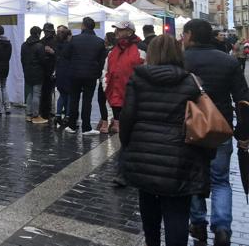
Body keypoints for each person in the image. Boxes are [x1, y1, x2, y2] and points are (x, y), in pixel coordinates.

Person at [120, 34, 210, 246]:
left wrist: (128, 145)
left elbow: (127, 117)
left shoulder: (138, 78)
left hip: (144, 153)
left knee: (148, 208)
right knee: (178, 213)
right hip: (180, 156)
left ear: (150, 53)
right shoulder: (191, 81)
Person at [184, 19, 249, 246]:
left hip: (190, 127)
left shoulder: (182, 59)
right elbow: (243, 99)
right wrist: (243, 133)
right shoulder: (228, 61)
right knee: (221, 180)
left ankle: (198, 223)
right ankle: (222, 227)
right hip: (220, 127)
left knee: (193, 175)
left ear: (190, 35)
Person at [63, 17, 106, 135]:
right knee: (87, 100)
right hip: (91, 75)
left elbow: (66, 55)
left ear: (83, 26)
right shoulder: (99, 41)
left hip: (74, 73)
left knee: (74, 99)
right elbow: (102, 61)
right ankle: (86, 127)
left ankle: (72, 125)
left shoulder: (74, 39)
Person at [104, 21, 145, 134]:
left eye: (120, 29)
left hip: (133, 95)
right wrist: (105, 85)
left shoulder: (140, 48)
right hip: (115, 94)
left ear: (129, 32)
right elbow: (106, 70)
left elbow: (146, 71)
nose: (116, 32)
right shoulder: (113, 50)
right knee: (121, 130)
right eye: (116, 29)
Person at [21, 26, 47, 124]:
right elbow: (43, 60)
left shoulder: (24, 45)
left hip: (27, 72)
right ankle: (35, 115)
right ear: (38, 34)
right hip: (38, 72)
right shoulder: (40, 46)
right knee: (36, 94)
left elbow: (22, 59)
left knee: (30, 93)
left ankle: (28, 114)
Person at [96, 32, 115, 133]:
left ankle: (104, 123)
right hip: (115, 79)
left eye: (105, 38)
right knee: (114, 101)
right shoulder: (117, 51)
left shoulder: (104, 52)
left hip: (104, 78)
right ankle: (115, 121)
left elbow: (100, 66)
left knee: (102, 100)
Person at [40, 23, 57, 121]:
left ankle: (49, 111)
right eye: (45, 31)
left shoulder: (56, 41)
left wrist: (52, 52)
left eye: (47, 31)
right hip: (44, 69)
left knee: (49, 92)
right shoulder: (42, 41)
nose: (46, 33)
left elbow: (59, 55)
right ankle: (45, 111)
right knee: (45, 92)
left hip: (52, 69)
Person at [54, 26, 71, 126]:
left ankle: (58, 115)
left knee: (62, 95)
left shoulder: (57, 46)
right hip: (68, 73)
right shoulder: (70, 46)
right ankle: (68, 116)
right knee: (69, 96)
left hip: (59, 73)